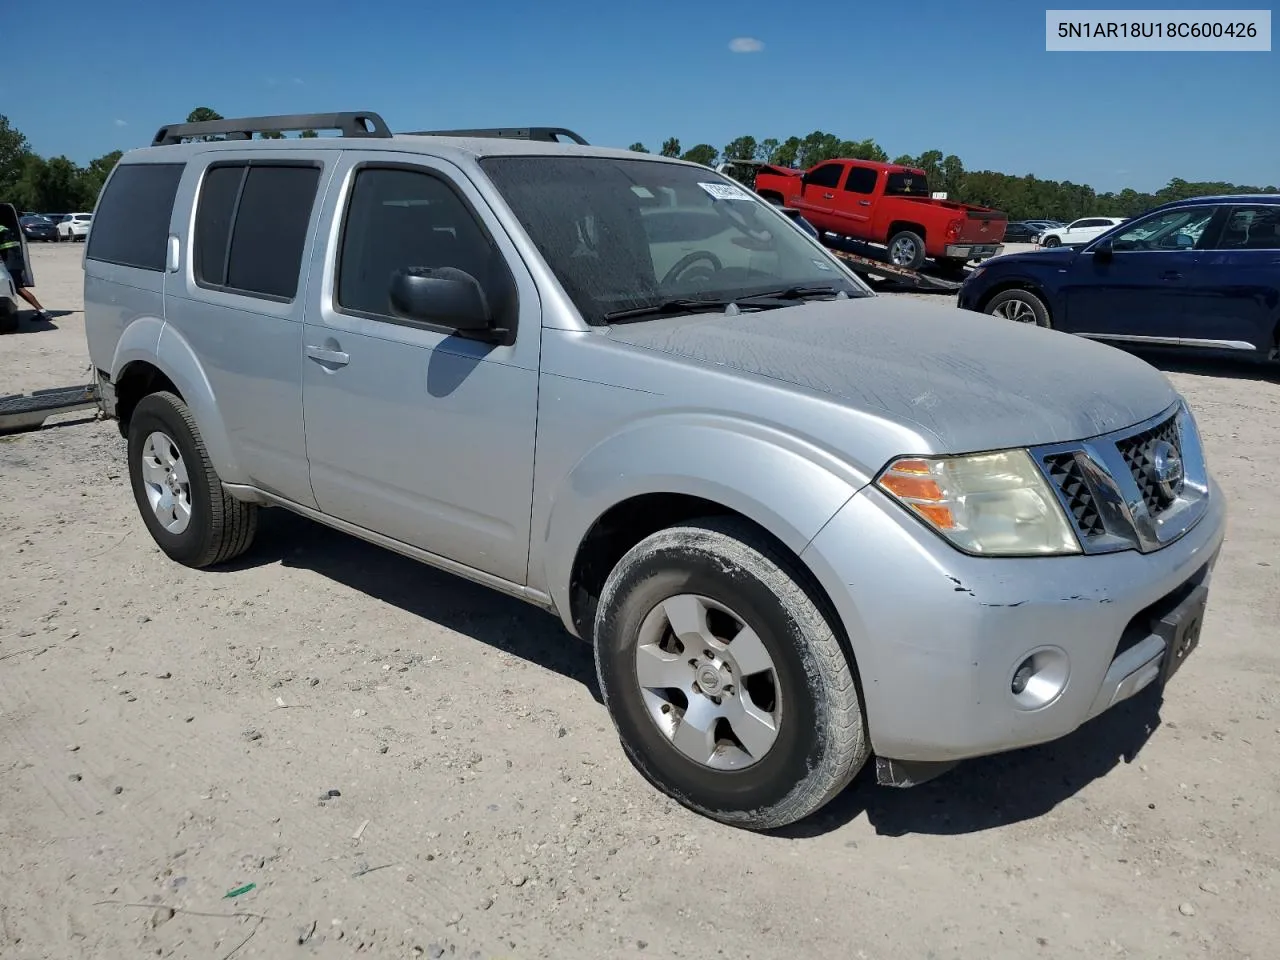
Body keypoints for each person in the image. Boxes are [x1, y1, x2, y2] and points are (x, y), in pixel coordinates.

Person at [0, 221, 52, 322]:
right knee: (17, 288)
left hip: (12, 261)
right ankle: (42, 311)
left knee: (18, 288)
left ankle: (43, 311)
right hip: (14, 260)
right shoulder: (3, 228)